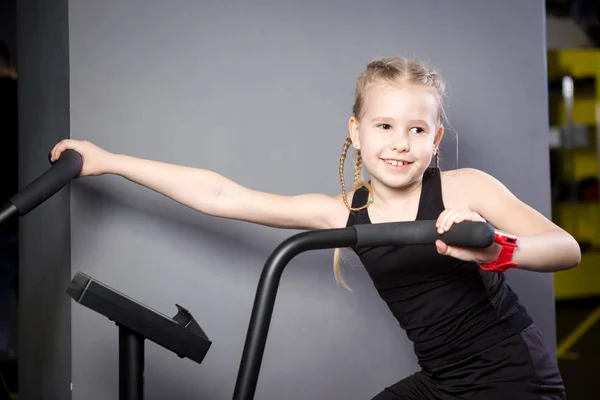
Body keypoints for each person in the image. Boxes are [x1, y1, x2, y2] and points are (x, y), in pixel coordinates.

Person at [50, 56, 580, 399]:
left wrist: (496, 251)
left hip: (512, 376)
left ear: (435, 140)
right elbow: (222, 195)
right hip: (444, 381)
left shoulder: (466, 188)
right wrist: (109, 160)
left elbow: (566, 248)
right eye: (385, 126)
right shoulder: (342, 212)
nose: (400, 142)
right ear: (357, 131)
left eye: (417, 129)